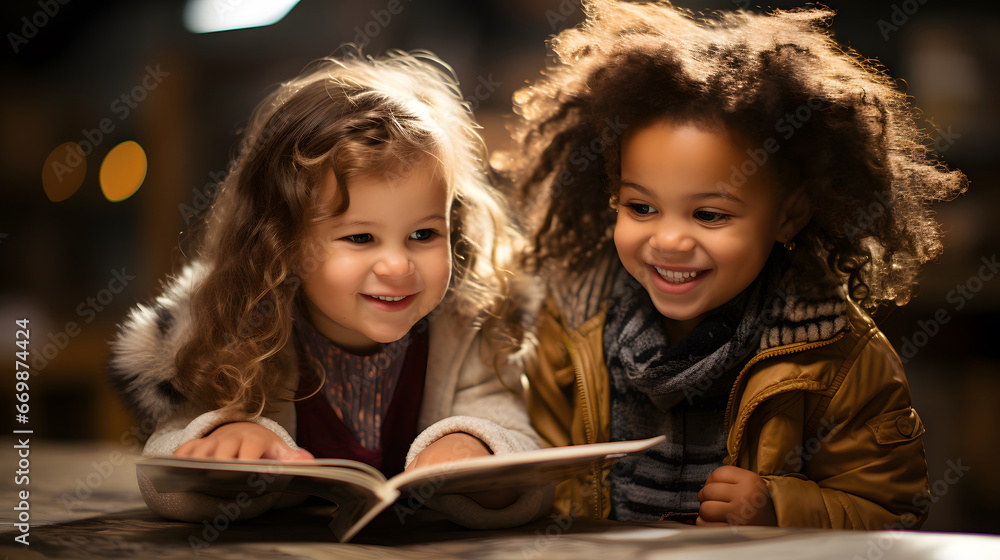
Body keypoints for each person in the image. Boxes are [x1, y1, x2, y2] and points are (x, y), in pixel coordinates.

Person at [496, 0, 967, 529]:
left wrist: (778, 508)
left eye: (709, 214)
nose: (669, 239)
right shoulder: (573, 325)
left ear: (788, 217)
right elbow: (545, 483)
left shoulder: (839, 356)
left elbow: (892, 513)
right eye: (641, 207)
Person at [109, 49, 548, 528]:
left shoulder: (469, 325)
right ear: (286, 244)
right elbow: (161, 476)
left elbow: (527, 457)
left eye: (424, 234)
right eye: (360, 237)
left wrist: (478, 445)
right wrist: (227, 439)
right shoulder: (234, 329)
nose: (399, 265)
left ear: (454, 225)